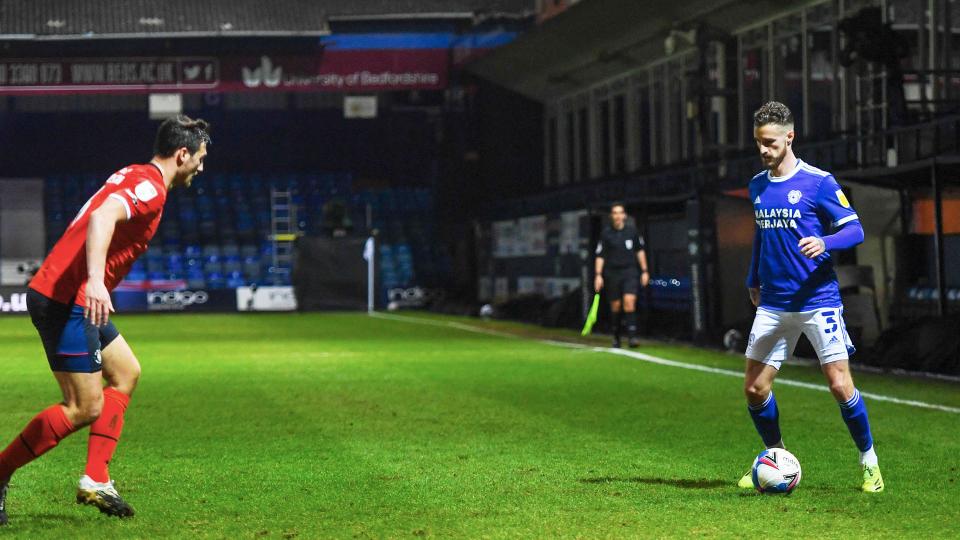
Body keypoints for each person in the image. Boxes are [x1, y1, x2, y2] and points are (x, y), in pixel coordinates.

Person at [0, 115, 211, 524]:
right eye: (200, 158)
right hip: (67, 299)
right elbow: (102, 217)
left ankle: (96, 478)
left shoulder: (135, 173)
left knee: (126, 373)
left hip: (73, 296)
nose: (201, 167)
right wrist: (96, 280)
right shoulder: (150, 187)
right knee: (84, 407)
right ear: (182, 154)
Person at [737, 101, 882, 493]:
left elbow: (855, 230)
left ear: (790, 137)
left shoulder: (818, 182)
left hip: (818, 301)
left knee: (839, 385)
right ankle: (776, 457)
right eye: (758, 142)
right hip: (774, 303)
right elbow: (761, 236)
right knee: (754, 389)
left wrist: (825, 241)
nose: (763, 149)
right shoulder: (757, 185)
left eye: (770, 142)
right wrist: (753, 278)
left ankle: (869, 461)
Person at [593, 202, 650, 348]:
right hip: (612, 273)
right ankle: (616, 337)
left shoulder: (632, 232)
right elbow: (600, 255)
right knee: (616, 306)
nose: (618, 216)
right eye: (615, 213)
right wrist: (598, 275)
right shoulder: (606, 234)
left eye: (620, 213)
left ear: (624, 215)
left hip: (630, 271)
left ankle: (632, 338)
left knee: (629, 301)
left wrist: (645, 271)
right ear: (611, 216)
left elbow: (640, 251)